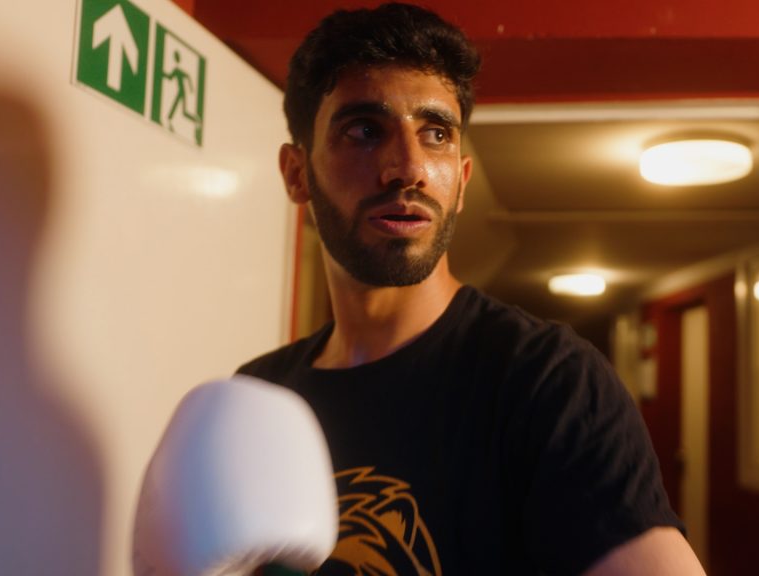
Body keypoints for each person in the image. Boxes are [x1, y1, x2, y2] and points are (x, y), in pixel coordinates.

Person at [237, 3, 706, 574]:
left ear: (459, 183)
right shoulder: (258, 397)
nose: (407, 167)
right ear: (296, 174)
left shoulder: (549, 382)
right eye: (364, 130)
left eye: (436, 133)